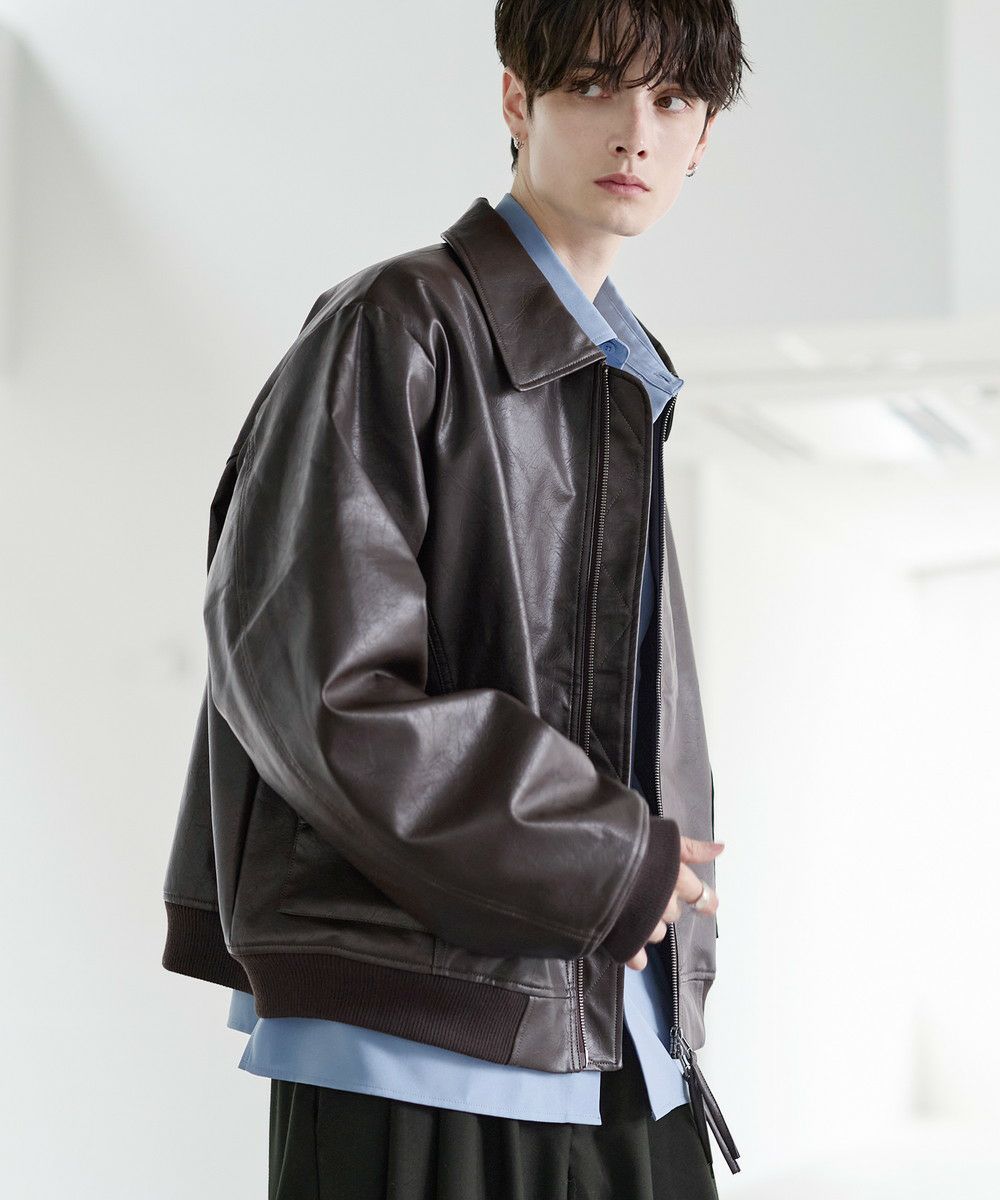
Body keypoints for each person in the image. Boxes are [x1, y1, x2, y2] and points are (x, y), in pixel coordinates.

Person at [161, 2, 751, 1196]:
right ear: (516, 99)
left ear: (702, 140)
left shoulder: (621, 374)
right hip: (422, 1037)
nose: (635, 132)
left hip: (618, 1033)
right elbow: (319, 690)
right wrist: (603, 861)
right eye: (594, 85)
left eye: (673, 100)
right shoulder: (394, 326)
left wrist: (635, 893)